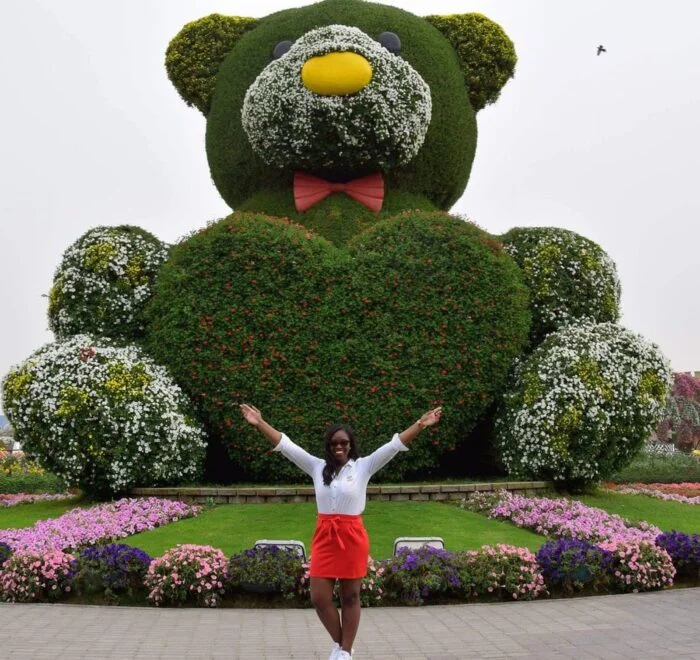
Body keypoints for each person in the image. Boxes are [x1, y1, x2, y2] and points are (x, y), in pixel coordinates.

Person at [239, 403, 443, 660]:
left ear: (351, 445)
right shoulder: (315, 467)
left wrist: (420, 425)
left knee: (351, 596)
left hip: (352, 536)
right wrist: (259, 423)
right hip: (325, 535)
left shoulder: (363, 467)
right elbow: (286, 446)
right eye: (334, 443)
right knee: (319, 597)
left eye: (344, 443)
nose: (339, 447)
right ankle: (341, 642)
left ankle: (344, 652)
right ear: (328, 445)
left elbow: (393, 446)